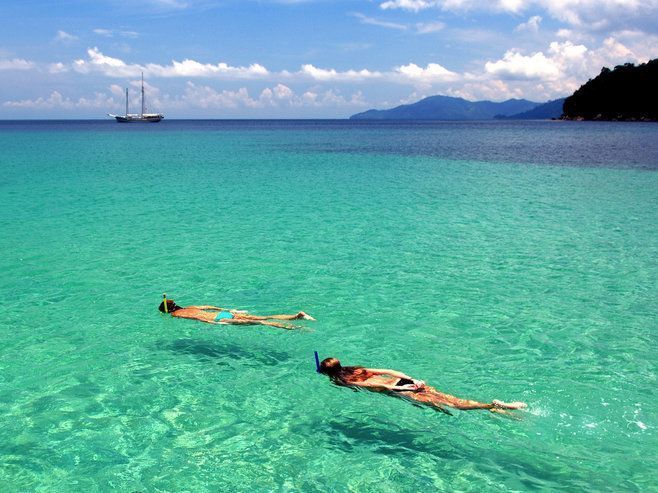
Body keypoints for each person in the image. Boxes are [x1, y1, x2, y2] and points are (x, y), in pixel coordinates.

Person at [319, 357, 526, 415]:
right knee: (451, 399)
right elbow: (388, 371)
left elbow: (379, 386)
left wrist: (407, 389)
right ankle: (500, 410)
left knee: (454, 406)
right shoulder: (357, 369)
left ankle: (491, 405)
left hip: (402, 390)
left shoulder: (345, 381)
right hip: (407, 381)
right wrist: (413, 379)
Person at [159, 299, 315, 330]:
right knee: (263, 317)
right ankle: (297, 316)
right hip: (223, 313)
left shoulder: (176, 314)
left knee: (262, 323)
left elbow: (197, 317)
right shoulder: (190, 306)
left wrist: (213, 323)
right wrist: (229, 309)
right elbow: (208, 306)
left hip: (221, 319)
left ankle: (297, 328)